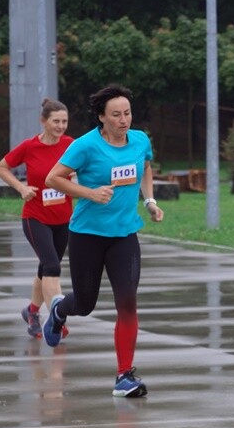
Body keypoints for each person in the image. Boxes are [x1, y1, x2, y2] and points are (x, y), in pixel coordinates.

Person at [44, 84, 164, 398]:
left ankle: (124, 376)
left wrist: (149, 201)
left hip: (124, 235)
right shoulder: (85, 146)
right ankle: (59, 310)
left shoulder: (139, 140)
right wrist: (89, 193)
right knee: (84, 304)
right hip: (87, 235)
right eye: (115, 115)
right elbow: (53, 178)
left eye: (127, 113)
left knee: (128, 303)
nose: (123, 119)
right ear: (102, 117)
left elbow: (146, 168)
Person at [0, 98, 74, 339]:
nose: (61, 126)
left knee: (45, 269)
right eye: (56, 121)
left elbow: (85, 166)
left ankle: (31, 311)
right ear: (43, 121)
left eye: (64, 121)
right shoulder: (30, 146)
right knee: (52, 265)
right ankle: (56, 319)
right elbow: (1, 167)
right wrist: (21, 188)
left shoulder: (72, 145)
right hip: (35, 216)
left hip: (63, 218)